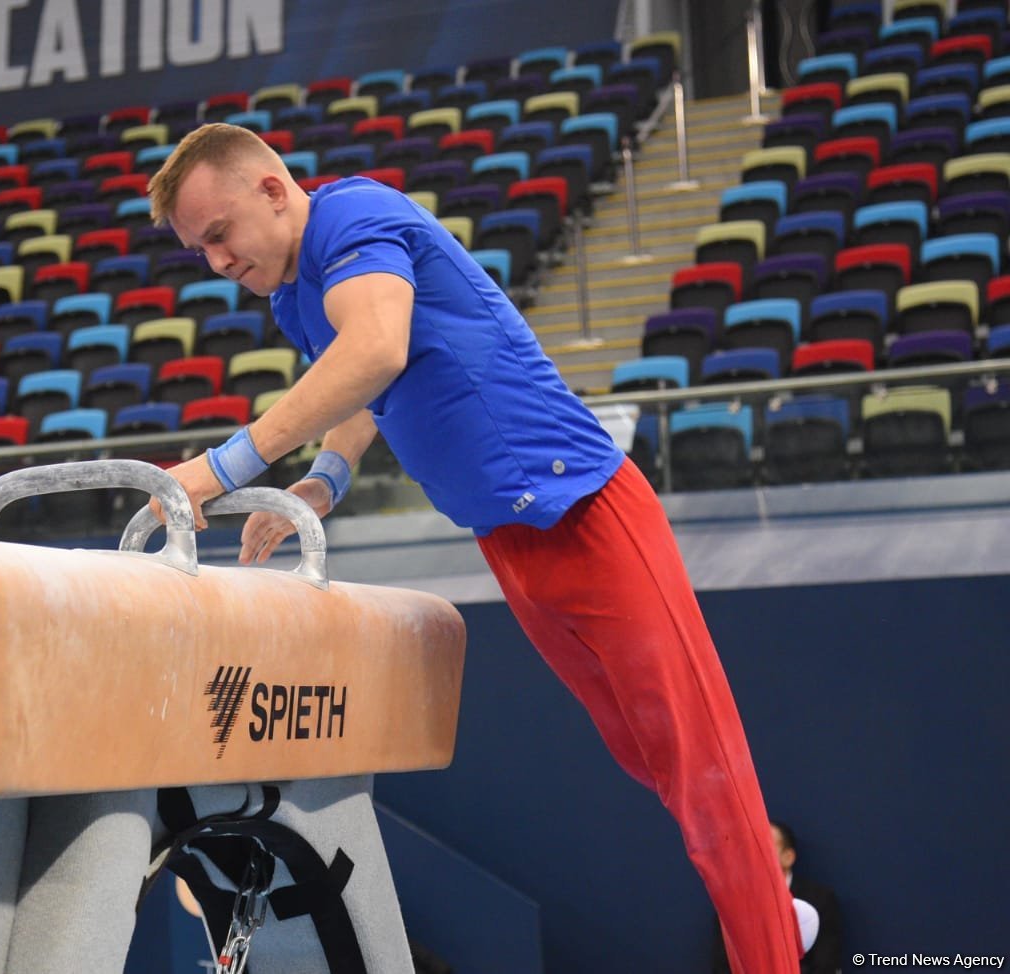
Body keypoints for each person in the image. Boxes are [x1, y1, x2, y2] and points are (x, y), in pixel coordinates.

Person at [146, 122, 807, 972]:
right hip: (509, 538)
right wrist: (326, 481)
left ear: (273, 190)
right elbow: (366, 385)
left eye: (219, 233)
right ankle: (771, 917)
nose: (215, 261)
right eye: (199, 248)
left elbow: (377, 346)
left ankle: (775, 951)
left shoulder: (353, 216)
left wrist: (225, 465)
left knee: (706, 774)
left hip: (589, 514)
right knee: (650, 761)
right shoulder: (294, 293)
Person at [713, 821, 844, 974]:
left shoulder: (819, 900)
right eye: (750, 845)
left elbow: (826, 964)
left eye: (763, 845)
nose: (753, 853)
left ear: (788, 857)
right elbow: (721, 966)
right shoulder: (732, 904)